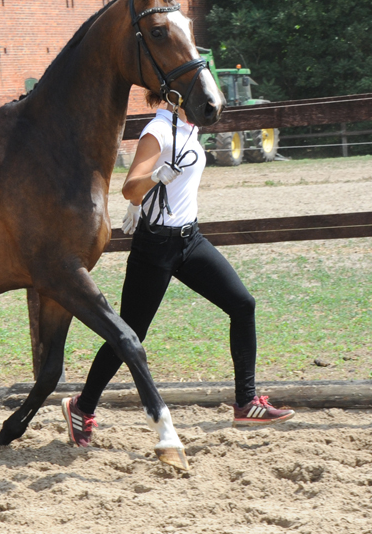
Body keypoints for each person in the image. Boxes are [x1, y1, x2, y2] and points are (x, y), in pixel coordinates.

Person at [62, 90, 294, 447]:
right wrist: (157, 175)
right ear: (177, 98)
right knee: (130, 334)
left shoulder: (187, 128)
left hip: (190, 240)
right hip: (156, 247)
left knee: (242, 304)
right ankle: (82, 406)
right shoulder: (158, 131)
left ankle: (247, 403)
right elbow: (129, 188)